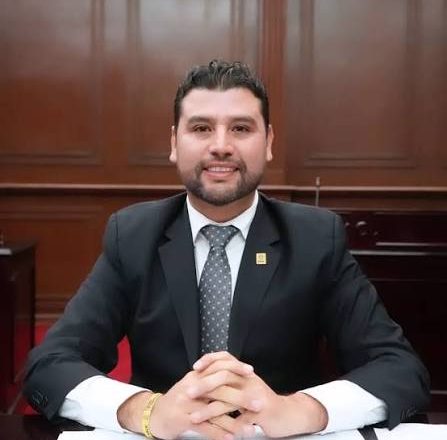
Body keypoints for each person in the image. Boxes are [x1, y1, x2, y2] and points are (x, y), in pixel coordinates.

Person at [24, 60, 430, 439]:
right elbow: (50, 365)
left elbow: (399, 369)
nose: (221, 146)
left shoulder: (315, 238)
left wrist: (298, 410)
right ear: (174, 142)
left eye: (240, 128)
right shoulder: (132, 235)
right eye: (201, 128)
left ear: (268, 141)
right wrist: (147, 411)